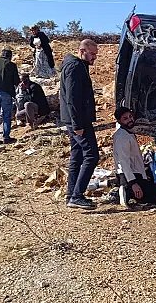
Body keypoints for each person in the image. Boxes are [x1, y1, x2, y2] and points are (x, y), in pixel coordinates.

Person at [60, 39, 99, 209]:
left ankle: (71, 195)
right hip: (78, 121)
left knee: (77, 156)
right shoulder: (75, 67)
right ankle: (77, 195)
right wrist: (77, 125)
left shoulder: (77, 65)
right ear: (82, 51)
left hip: (75, 120)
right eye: (92, 54)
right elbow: (72, 99)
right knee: (92, 155)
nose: (94, 58)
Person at [112, 106, 156, 207]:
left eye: (130, 116)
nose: (129, 120)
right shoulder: (122, 137)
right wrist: (133, 183)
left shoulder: (128, 132)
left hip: (135, 173)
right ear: (119, 121)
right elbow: (123, 162)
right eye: (125, 118)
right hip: (129, 175)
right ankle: (127, 191)